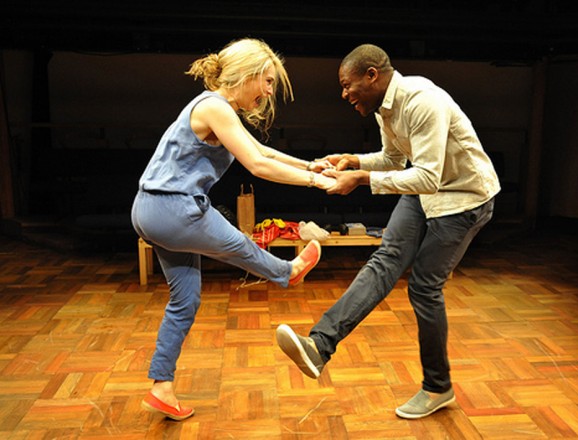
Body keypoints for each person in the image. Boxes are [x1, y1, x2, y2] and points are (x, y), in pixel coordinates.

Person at [276, 44, 500, 419]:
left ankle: (437, 387)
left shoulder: (422, 101)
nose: (344, 94)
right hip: (426, 191)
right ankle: (318, 346)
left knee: (424, 287)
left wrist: (361, 179)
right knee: (384, 261)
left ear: (372, 76)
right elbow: (394, 161)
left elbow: (427, 174)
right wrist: (353, 159)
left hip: (464, 199)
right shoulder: (385, 108)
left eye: (348, 86)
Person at [131, 38, 335, 421]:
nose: (270, 92)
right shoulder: (214, 106)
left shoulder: (216, 109)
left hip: (149, 209)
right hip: (175, 208)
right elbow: (258, 165)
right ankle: (286, 273)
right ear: (250, 74)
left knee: (185, 300)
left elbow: (264, 152)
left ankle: (161, 387)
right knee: (238, 242)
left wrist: (310, 166)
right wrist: (317, 184)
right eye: (270, 82)